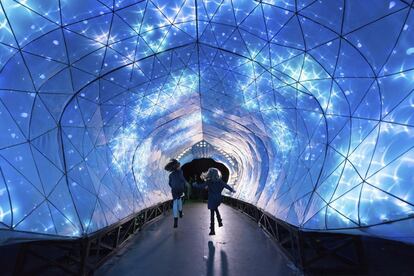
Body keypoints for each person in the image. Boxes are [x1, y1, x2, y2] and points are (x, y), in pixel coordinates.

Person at [193, 168, 235, 235]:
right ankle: (220, 221)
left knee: (212, 213)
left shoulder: (209, 181)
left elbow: (201, 186)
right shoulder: (220, 181)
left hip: (212, 199)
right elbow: (226, 185)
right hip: (218, 198)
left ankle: (212, 230)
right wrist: (232, 190)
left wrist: (195, 185)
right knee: (215, 208)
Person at [165, 159, 187, 228]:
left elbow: (169, 183)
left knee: (175, 202)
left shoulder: (171, 175)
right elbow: (182, 179)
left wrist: (173, 186)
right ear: (177, 167)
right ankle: (180, 213)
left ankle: (175, 221)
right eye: (179, 166)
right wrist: (185, 183)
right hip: (180, 189)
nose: (180, 167)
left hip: (174, 189)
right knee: (179, 199)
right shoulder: (180, 172)